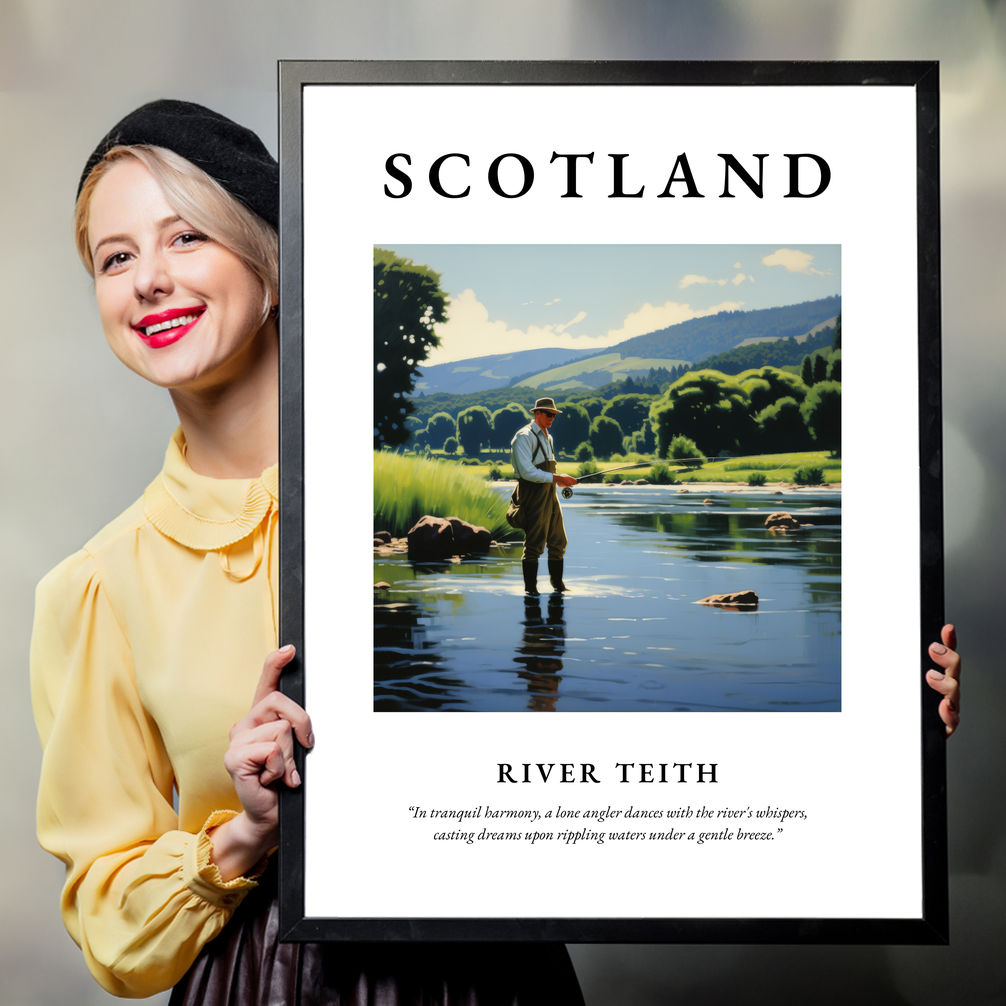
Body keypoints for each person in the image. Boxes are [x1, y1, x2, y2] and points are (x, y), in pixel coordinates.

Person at [30, 100, 584, 1004]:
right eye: (115, 257)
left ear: (274, 264)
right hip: (265, 982)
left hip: (496, 974)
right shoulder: (96, 587)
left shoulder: (412, 519)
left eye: (186, 238)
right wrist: (244, 832)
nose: (147, 280)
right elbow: (110, 924)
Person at [509, 398, 577, 596]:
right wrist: (557, 477)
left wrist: (560, 481)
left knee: (558, 540)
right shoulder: (523, 437)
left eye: (554, 415)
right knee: (534, 544)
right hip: (532, 494)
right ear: (537, 413)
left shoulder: (549, 437)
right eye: (549, 414)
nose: (552, 418)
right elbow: (528, 472)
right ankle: (531, 591)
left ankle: (558, 586)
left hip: (550, 493)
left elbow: (546, 471)